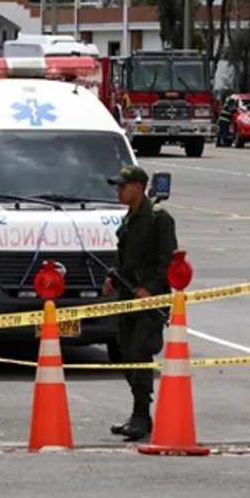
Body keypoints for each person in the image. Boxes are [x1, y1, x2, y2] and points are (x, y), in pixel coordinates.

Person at [101, 165, 178, 442]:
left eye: (123, 186)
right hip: (127, 297)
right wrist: (113, 275)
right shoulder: (129, 218)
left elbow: (167, 260)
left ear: (138, 187)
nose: (118, 190)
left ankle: (142, 415)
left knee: (139, 353)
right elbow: (124, 258)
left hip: (148, 300)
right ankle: (137, 411)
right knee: (124, 352)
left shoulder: (159, 219)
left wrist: (151, 289)